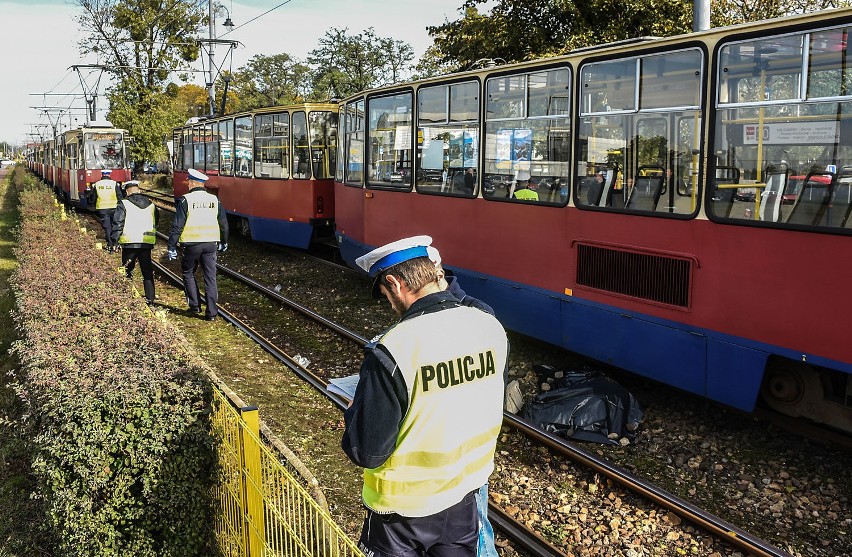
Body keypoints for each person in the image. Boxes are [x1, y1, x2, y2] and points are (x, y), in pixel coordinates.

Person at [344, 235, 509, 557]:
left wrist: (355, 410)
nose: (391, 305)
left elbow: (367, 452)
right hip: (464, 495)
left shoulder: (394, 348)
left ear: (395, 283)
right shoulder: (489, 324)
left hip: (402, 513)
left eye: (386, 295)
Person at [427, 246, 501, 557]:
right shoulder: (427, 313)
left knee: (476, 529)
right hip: (441, 451)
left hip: (465, 450)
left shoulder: (476, 313)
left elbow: (488, 384)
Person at [166, 168, 229, 320]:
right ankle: (212, 313)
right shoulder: (214, 200)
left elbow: (177, 226)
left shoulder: (185, 200)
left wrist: (172, 246)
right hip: (210, 244)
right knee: (210, 277)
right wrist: (224, 241)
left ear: (194, 183)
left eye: (189, 182)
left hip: (192, 244)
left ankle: (194, 306)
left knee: (188, 273)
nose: (187, 184)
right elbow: (224, 224)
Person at [111, 181, 159, 305]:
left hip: (129, 244)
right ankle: (150, 299)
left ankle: (128, 297)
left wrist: (114, 241)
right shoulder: (151, 205)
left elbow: (118, 223)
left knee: (128, 270)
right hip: (146, 244)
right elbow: (156, 220)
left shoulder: (124, 204)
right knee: (147, 271)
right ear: (139, 190)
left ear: (127, 192)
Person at [88, 168, 123, 252]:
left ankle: (110, 245)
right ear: (109, 175)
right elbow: (119, 196)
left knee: (107, 227)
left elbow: (94, 197)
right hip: (114, 207)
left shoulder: (97, 184)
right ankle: (116, 243)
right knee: (115, 225)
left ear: (102, 175)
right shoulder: (114, 184)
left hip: (102, 208)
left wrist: (92, 204)